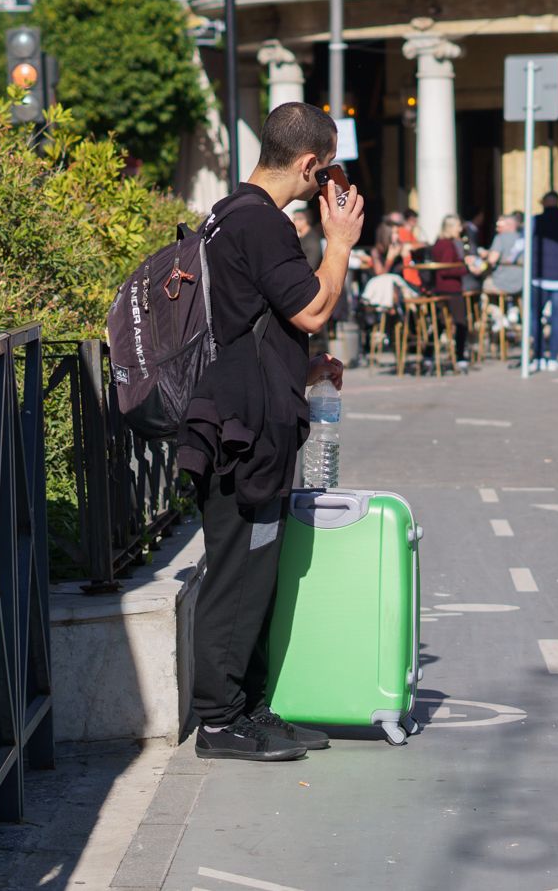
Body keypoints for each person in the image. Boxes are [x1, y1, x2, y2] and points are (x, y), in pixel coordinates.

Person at [178, 101, 364, 762]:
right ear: (311, 165)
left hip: (244, 416)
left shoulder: (231, 213)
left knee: (258, 574)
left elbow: (250, 321)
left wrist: (304, 365)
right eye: (324, 174)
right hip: (243, 432)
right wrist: (338, 243)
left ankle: (252, 708)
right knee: (238, 572)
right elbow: (312, 306)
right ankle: (221, 720)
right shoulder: (260, 223)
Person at [530, 192, 558, 371]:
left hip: (539, 276)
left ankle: (539, 356)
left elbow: (524, 245)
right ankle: (554, 358)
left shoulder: (534, 221)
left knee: (536, 317)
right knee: (556, 319)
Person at [428, 215, 471, 369]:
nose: (460, 230)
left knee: (440, 323)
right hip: (451, 288)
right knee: (460, 322)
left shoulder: (439, 243)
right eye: (458, 226)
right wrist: (465, 268)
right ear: (451, 228)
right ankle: (460, 356)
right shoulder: (447, 245)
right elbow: (446, 269)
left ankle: (428, 354)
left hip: (440, 288)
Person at [478, 213, 525, 297]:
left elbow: (492, 260)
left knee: (485, 284)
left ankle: (494, 308)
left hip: (503, 282)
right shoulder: (523, 238)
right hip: (522, 282)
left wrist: (481, 262)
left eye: (499, 226)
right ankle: (513, 307)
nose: (497, 229)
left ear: (508, 225)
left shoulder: (500, 237)